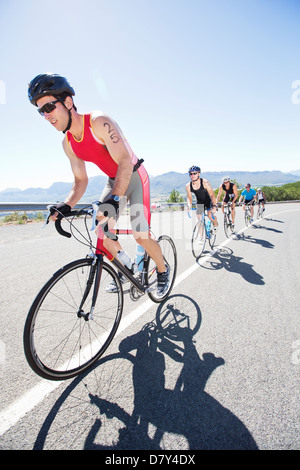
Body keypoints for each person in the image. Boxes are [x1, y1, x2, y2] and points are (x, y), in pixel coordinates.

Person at [28, 73, 169, 296]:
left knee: (140, 234)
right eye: (40, 111)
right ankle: (127, 268)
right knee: (101, 229)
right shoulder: (68, 144)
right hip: (114, 181)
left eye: (49, 107)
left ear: (68, 102)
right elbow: (81, 180)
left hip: (134, 177)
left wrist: (114, 200)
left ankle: (162, 270)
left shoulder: (98, 122)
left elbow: (123, 161)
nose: (46, 115)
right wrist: (66, 204)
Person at [185, 165, 218, 230]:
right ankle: (201, 239)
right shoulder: (188, 185)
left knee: (210, 216)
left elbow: (212, 195)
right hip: (200, 202)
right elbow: (189, 198)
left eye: (195, 173)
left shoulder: (205, 182)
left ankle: (215, 225)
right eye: (191, 174)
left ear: (198, 174)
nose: (193, 175)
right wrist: (189, 206)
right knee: (199, 219)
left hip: (208, 201)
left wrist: (214, 206)